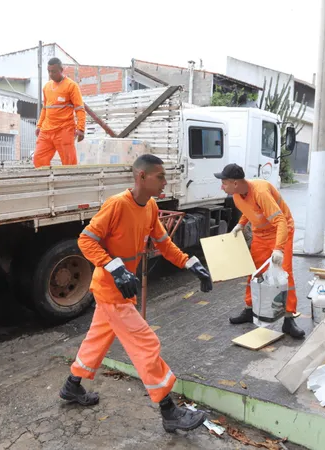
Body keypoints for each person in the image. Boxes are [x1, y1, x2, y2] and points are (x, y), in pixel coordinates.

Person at [59, 154, 214, 433]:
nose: (165, 182)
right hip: (110, 290)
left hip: (118, 291)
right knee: (146, 344)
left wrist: (189, 263)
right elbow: (86, 239)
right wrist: (115, 268)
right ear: (141, 177)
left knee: (97, 341)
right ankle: (169, 410)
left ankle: (72, 387)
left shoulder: (151, 207)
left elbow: (164, 244)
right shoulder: (117, 204)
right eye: (160, 177)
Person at [215, 163, 305, 339]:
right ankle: (249, 310)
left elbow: (280, 221)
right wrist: (240, 225)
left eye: (224, 182)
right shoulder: (236, 196)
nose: (221, 186)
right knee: (254, 270)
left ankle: (288, 319)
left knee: (285, 273)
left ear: (235, 183)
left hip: (281, 230)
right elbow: (249, 210)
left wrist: (278, 249)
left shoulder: (260, 192)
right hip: (261, 233)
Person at [33, 57, 86, 167]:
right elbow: (45, 108)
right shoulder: (47, 87)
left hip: (64, 130)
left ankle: (69, 182)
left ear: (61, 70)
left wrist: (80, 128)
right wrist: (39, 125)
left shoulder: (71, 86)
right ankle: (45, 183)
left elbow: (79, 108)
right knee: (38, 159)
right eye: (49, 71)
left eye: (54, 71)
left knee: (69, 163)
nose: (51, 74)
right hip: (46, 131)